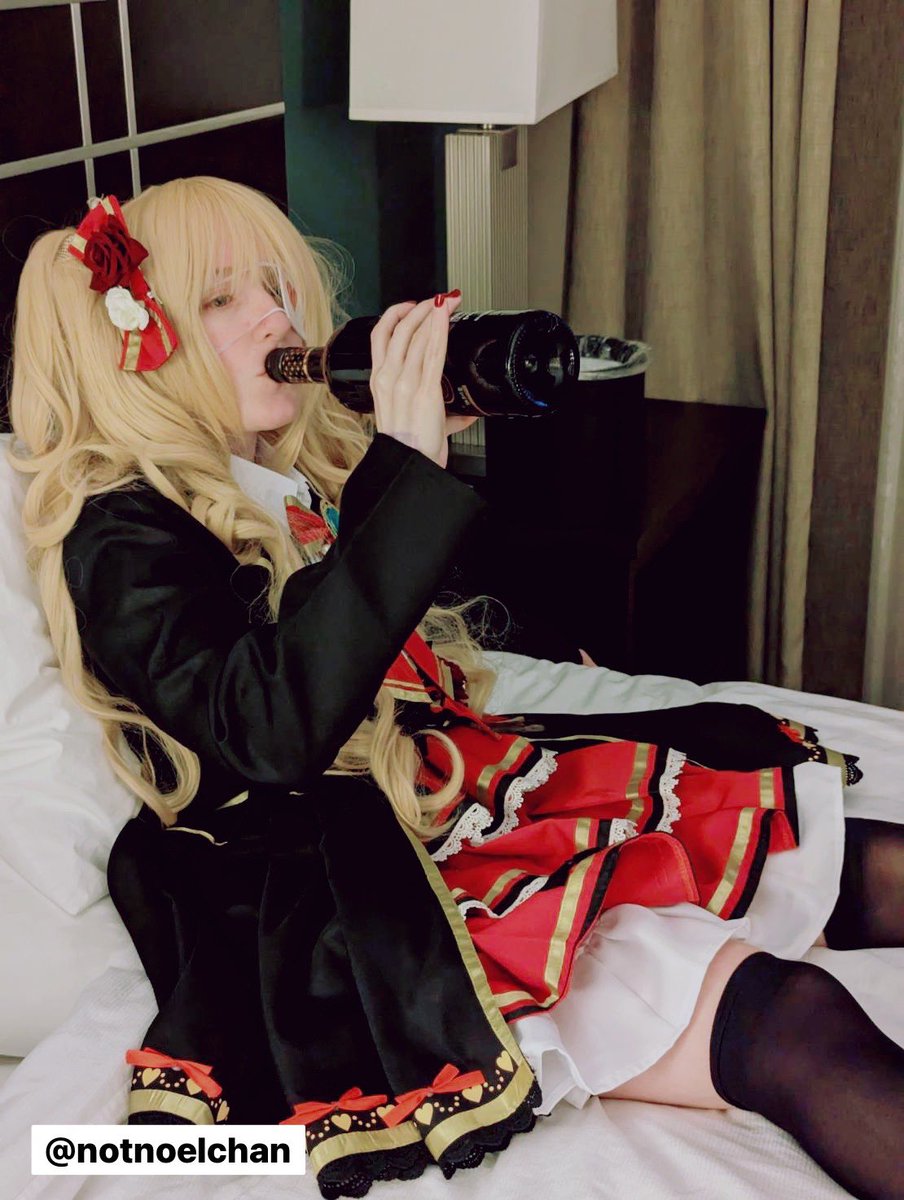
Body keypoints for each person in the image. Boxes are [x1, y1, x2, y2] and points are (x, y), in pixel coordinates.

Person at [7, 176, 904, 1200]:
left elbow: (424, 612)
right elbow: (268, 726)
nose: (275, 319)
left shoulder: (282, 472)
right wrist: (405, 473)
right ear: (137, 342)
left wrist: (426, 462)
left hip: (443, 787)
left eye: (276, 287)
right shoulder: (122, 529)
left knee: (857, 856)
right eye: (221, 299)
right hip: (336, 881)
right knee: (788, 1019)